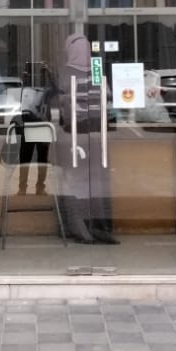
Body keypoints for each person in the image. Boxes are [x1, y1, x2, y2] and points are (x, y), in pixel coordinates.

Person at [52, 32, 118, 244]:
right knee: (97, 182)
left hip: (74, 135)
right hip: (98, 134)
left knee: (74, 182)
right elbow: (107, 97)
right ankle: (99, 227)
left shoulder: (64, 72)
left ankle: (79, 228)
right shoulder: (96, 68)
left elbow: (60, 104)